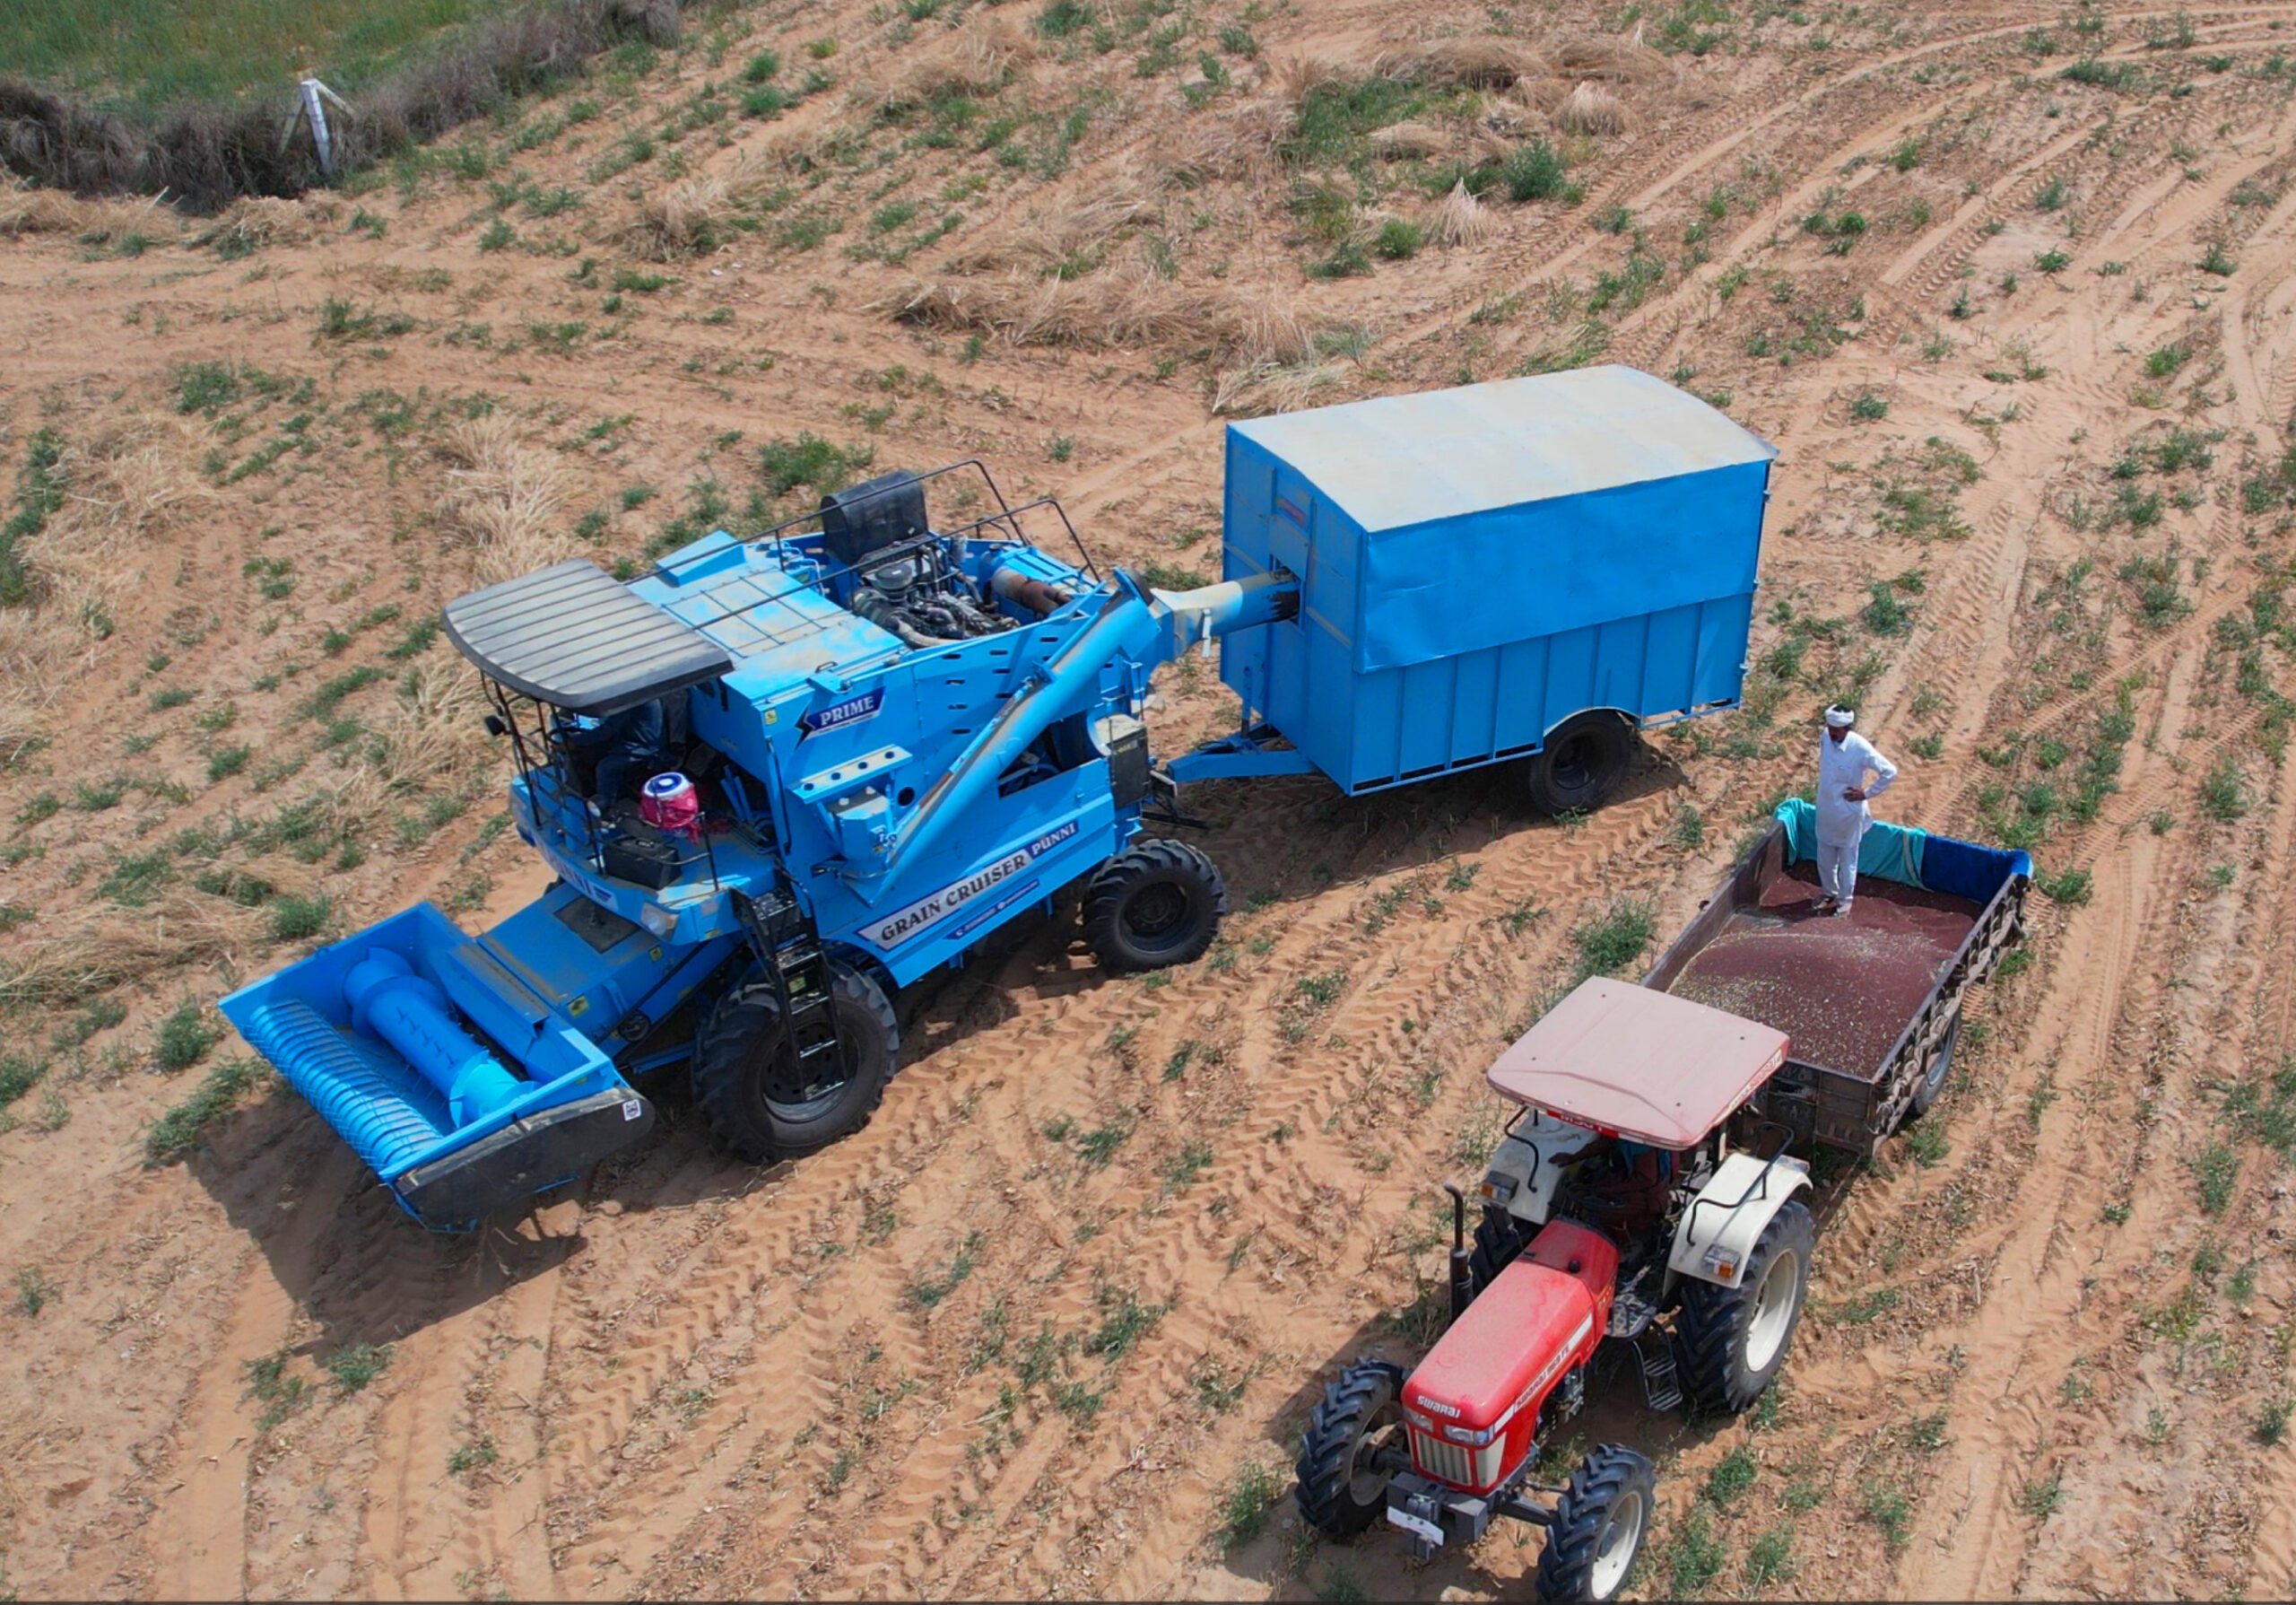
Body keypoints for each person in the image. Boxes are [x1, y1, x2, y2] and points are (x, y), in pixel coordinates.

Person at [1815, 706, 1898, 917]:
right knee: (1825, 858)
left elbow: (1889, 772)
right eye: (1830, 727)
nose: (1832, 732)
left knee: (1847, 860)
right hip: (1826, 810)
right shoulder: (1826, 736)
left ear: (1846, 728)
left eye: (1837, 729)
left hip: (1848, 814)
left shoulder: (1860, 747)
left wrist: (1867, 793)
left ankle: (1845, 900)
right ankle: (1828, 892)